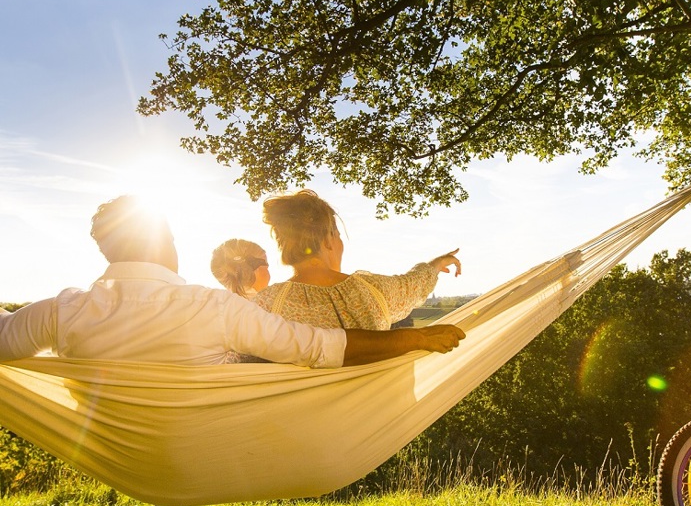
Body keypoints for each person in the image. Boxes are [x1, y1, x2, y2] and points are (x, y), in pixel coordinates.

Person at [0, 195, 464, 367]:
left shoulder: (60, 312)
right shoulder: (215, 309)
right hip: (215, 449)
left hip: (121, 456)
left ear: (106, 250)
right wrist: (413, 337)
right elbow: (316, 348)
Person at [254, 189, 462, 329]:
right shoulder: (370, 291)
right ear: (327, 240)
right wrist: (437, 264)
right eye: (337, 236)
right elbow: (412, 286)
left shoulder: (264, 306)